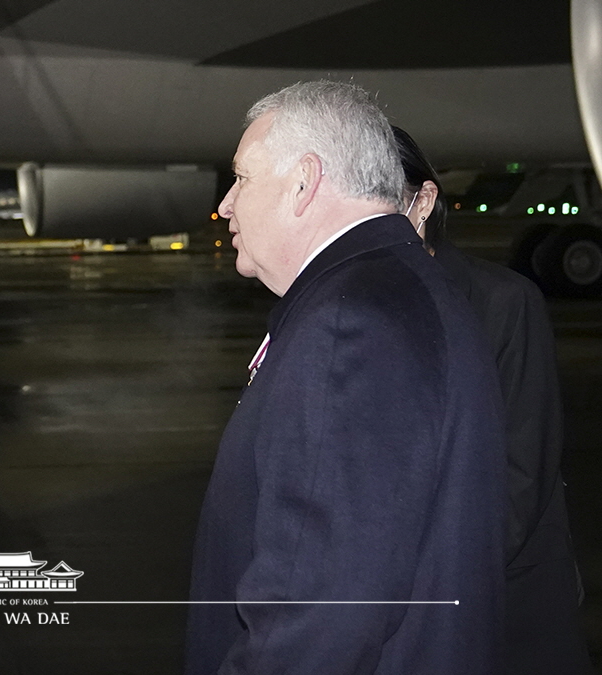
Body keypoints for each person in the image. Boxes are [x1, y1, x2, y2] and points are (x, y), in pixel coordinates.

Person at [186, 81, 507, 674]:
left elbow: (317, 613)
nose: (226, 204)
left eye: (242, 178)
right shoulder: (400, 285)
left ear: (304, 182)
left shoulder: (348, 323)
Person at [394, 126, 593, 674]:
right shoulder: (356, 303)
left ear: (422, 202)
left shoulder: (502, 302)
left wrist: (413, 581)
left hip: (501, 601)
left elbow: (520, 474)